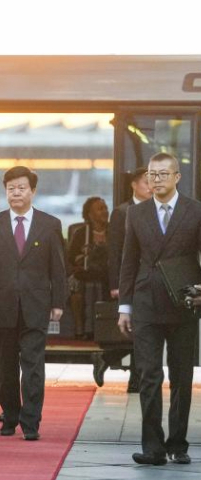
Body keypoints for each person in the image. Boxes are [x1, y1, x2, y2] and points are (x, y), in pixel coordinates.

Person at [0, 166, 66, 441]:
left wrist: (58, 301)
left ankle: (31, 421)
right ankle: (10, 415)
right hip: (2, 305)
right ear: (5, 192)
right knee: (6, 365)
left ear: (33, 191)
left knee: (33, 365)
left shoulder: (50, 224)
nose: (16, 193)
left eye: (21, 188)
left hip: (36, 305)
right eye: (11, 188)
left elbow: (58, 267)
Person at [118, 152, 200, 466]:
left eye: (163, 174)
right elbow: (128, 262)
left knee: (181, 376)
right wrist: (125, 306)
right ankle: (152, 447)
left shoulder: (195, 211)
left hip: (184, 303)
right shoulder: (136, 214)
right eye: (152, 174)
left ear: (177, 177)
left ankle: (178, 444)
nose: (157, 180)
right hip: (146, 303)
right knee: (148, 376)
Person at [99, 167, 150, 392]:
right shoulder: (122, 212)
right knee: (141, 330)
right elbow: (114, 250)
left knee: (144, 330)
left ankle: (109, 359)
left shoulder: (156, 209)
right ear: (134, 185)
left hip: (150, 279)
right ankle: (135, 380)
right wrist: (115, 284)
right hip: (130, 280)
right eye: (146, 182)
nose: (151, 186)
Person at [66, 197, 110, 340]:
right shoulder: (80, 233)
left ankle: (106, 328)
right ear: (90, 215)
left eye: (105, 208)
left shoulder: (115, 231)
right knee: (76, 287)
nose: (105, 211)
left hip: (107, 275)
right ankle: (81, 328)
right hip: (84, 274)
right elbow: (70, 258)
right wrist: (81, 258)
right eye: (100, 209)